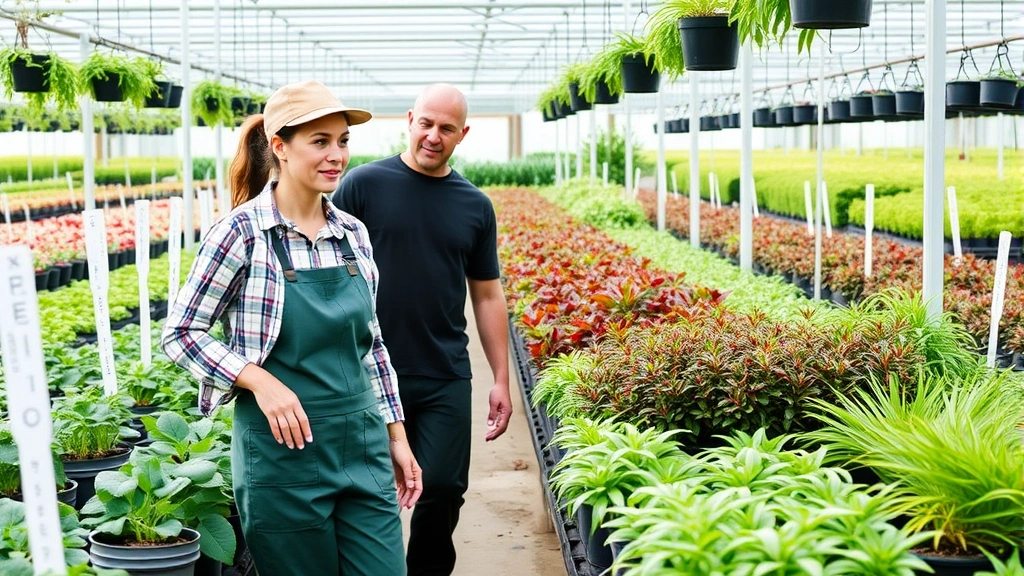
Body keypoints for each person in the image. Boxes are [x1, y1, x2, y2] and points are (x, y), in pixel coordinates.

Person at [161, 80, 422, 576]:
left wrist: (397, 436)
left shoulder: (353, 234)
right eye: (319, 142)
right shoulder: (239, 234)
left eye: (342, 141)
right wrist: (258, 380)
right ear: (279, 147)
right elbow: (181, 333)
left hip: (361, 442)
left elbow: (373, 346)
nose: (336, 155)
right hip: (283, 457)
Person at [331, 83, 512, 576]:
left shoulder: (474, 205)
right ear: (410, 120)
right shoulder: (363, 185)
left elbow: (487, 293)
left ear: (463, 134)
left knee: (445, 488)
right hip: (365, 369)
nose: (434, 136)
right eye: (426, 123)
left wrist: (501, 378)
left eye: (446, 128)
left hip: (443, 370)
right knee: (370, 491)